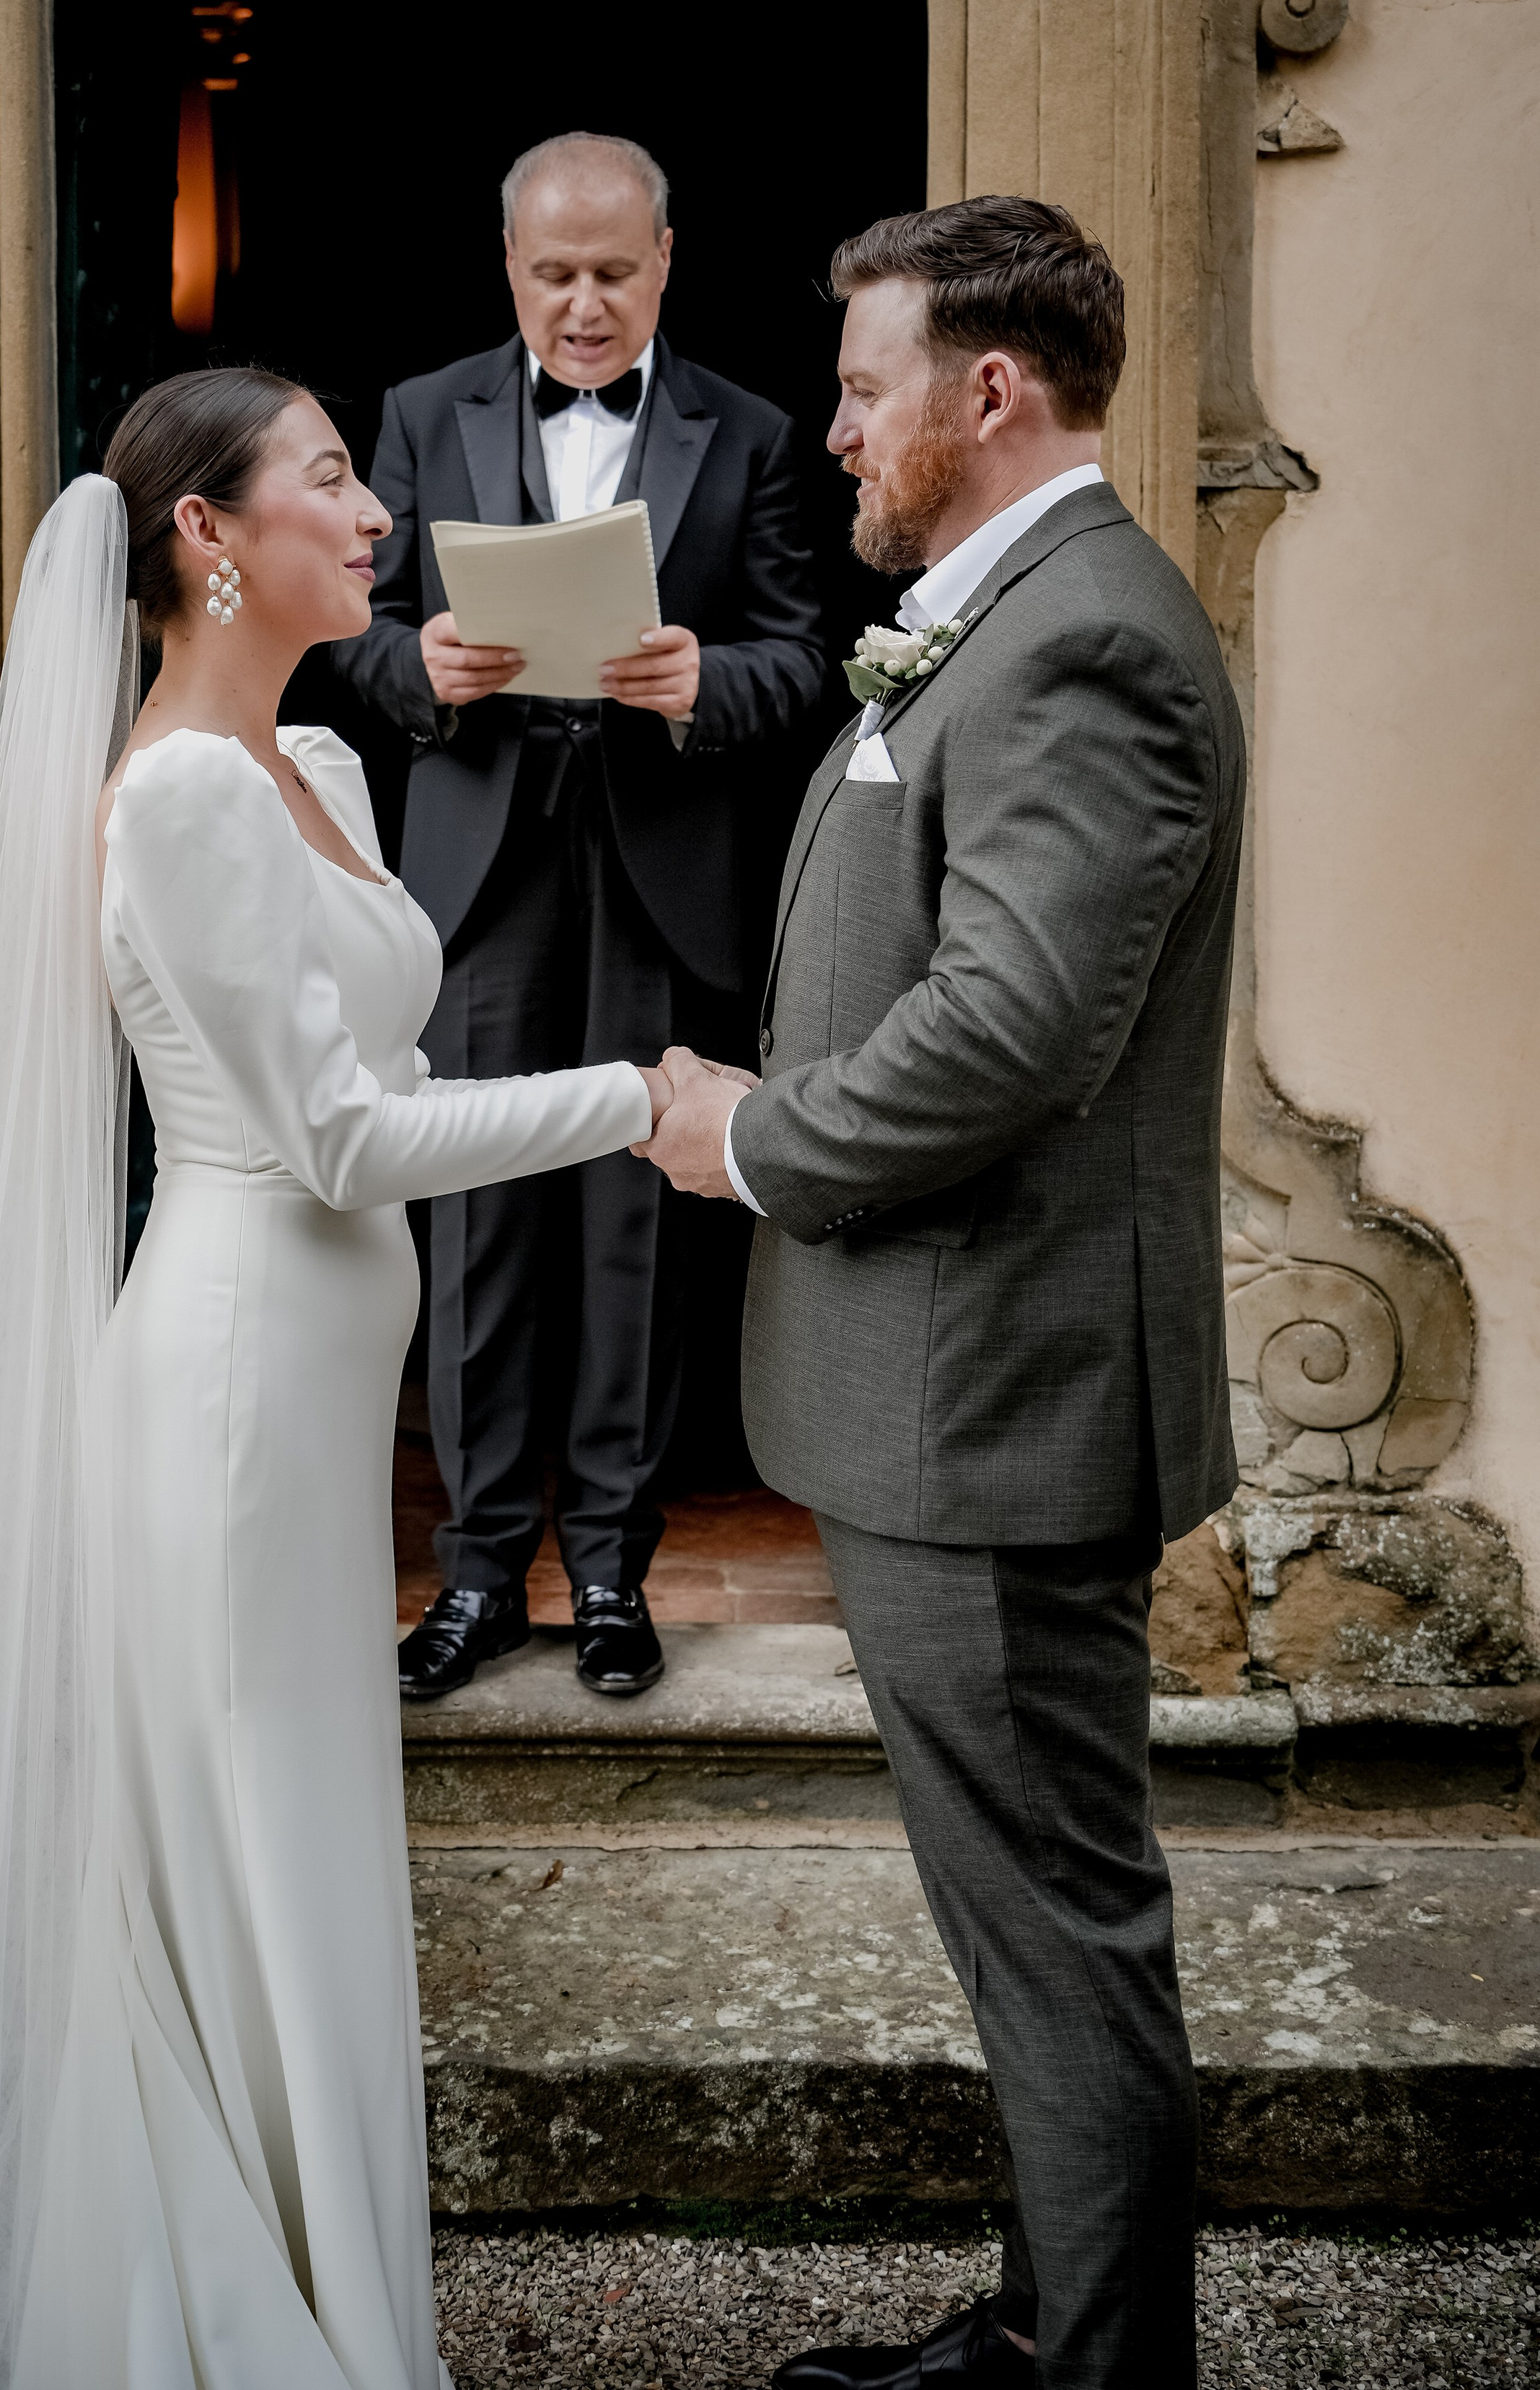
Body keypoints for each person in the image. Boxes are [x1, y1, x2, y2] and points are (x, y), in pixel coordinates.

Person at [0, 367, 672, 2390]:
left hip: (309, 1393)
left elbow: (395, 1071)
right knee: (249, 1845)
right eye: (332, 479)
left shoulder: (323, 768)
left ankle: (317, 2284)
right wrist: (639, 1099)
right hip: (225, 1393)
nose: (377, 517)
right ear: (206, 533)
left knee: (300, 1842)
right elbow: (340, 1142)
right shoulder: (187, 795)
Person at [640, 198, 1245, 2389]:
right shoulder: (1005, 616)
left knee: (1058, 1928)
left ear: (988, 391)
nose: (829, 433)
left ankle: (1096, 2372)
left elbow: (1011, 1030)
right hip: (950, 1392)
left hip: (997, 1400)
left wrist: (755, 1138)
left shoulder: (1086, 641)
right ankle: (1046, 2328)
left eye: (859, 388)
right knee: (1025, 1921)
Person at [331, 131, 826, 1700]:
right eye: (555, 275)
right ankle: (477, 1573)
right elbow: (352, 631)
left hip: (659, 873)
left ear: (666, 261)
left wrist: (703, 684)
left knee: (636, 1225)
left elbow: (803, 655)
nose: (585, 306)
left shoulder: (751, 432)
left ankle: (612, 1568)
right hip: (479, 877)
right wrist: (418, 669)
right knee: (477, 1218)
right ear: (509, 268)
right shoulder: (422, 414)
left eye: (614, 272)